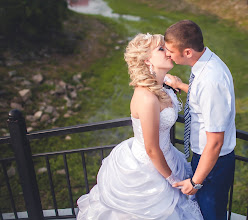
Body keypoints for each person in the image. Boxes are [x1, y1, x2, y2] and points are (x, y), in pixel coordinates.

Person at [76, 33, 203, 220]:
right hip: (149, 168)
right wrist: (172, 180)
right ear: (146, 60)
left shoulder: (160, 87)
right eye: (161, 49)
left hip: (168, 156)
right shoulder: (146, 97)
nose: (168, 52)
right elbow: (151, 149)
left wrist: (174, 82)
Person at [164, 20, 236, 220]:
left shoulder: (211, 81)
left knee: (211, 215)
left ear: (187, 52)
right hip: (206, 158)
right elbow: (203, 97)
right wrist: (181, 84)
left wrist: (195, 182)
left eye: (170, 50)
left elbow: (215, 142)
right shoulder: (205, 64)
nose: (167, 54)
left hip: (213, 162)